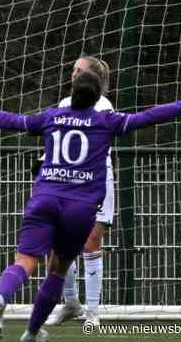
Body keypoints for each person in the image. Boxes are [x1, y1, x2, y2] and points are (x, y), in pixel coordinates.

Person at [0, 72, 181, 341]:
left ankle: (2, 296)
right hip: (80, 208)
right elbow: (150, 116)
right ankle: (31, 332)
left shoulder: (52, 117)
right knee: (59, 270)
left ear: (71, 92)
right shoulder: (107, 121)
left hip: (45, 199)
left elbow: (10, 120)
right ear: (98, 97)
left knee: (24, 261)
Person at [44, 55, 113, 328]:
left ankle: (93, 311)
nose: (72, 74)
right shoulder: (63, 105)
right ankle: (71, 303)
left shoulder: (104, 107)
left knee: (91, 243)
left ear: (92, 78)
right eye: (72, 69)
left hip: (96, 180)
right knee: (62, 242)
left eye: (78, 70)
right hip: (67, 181)